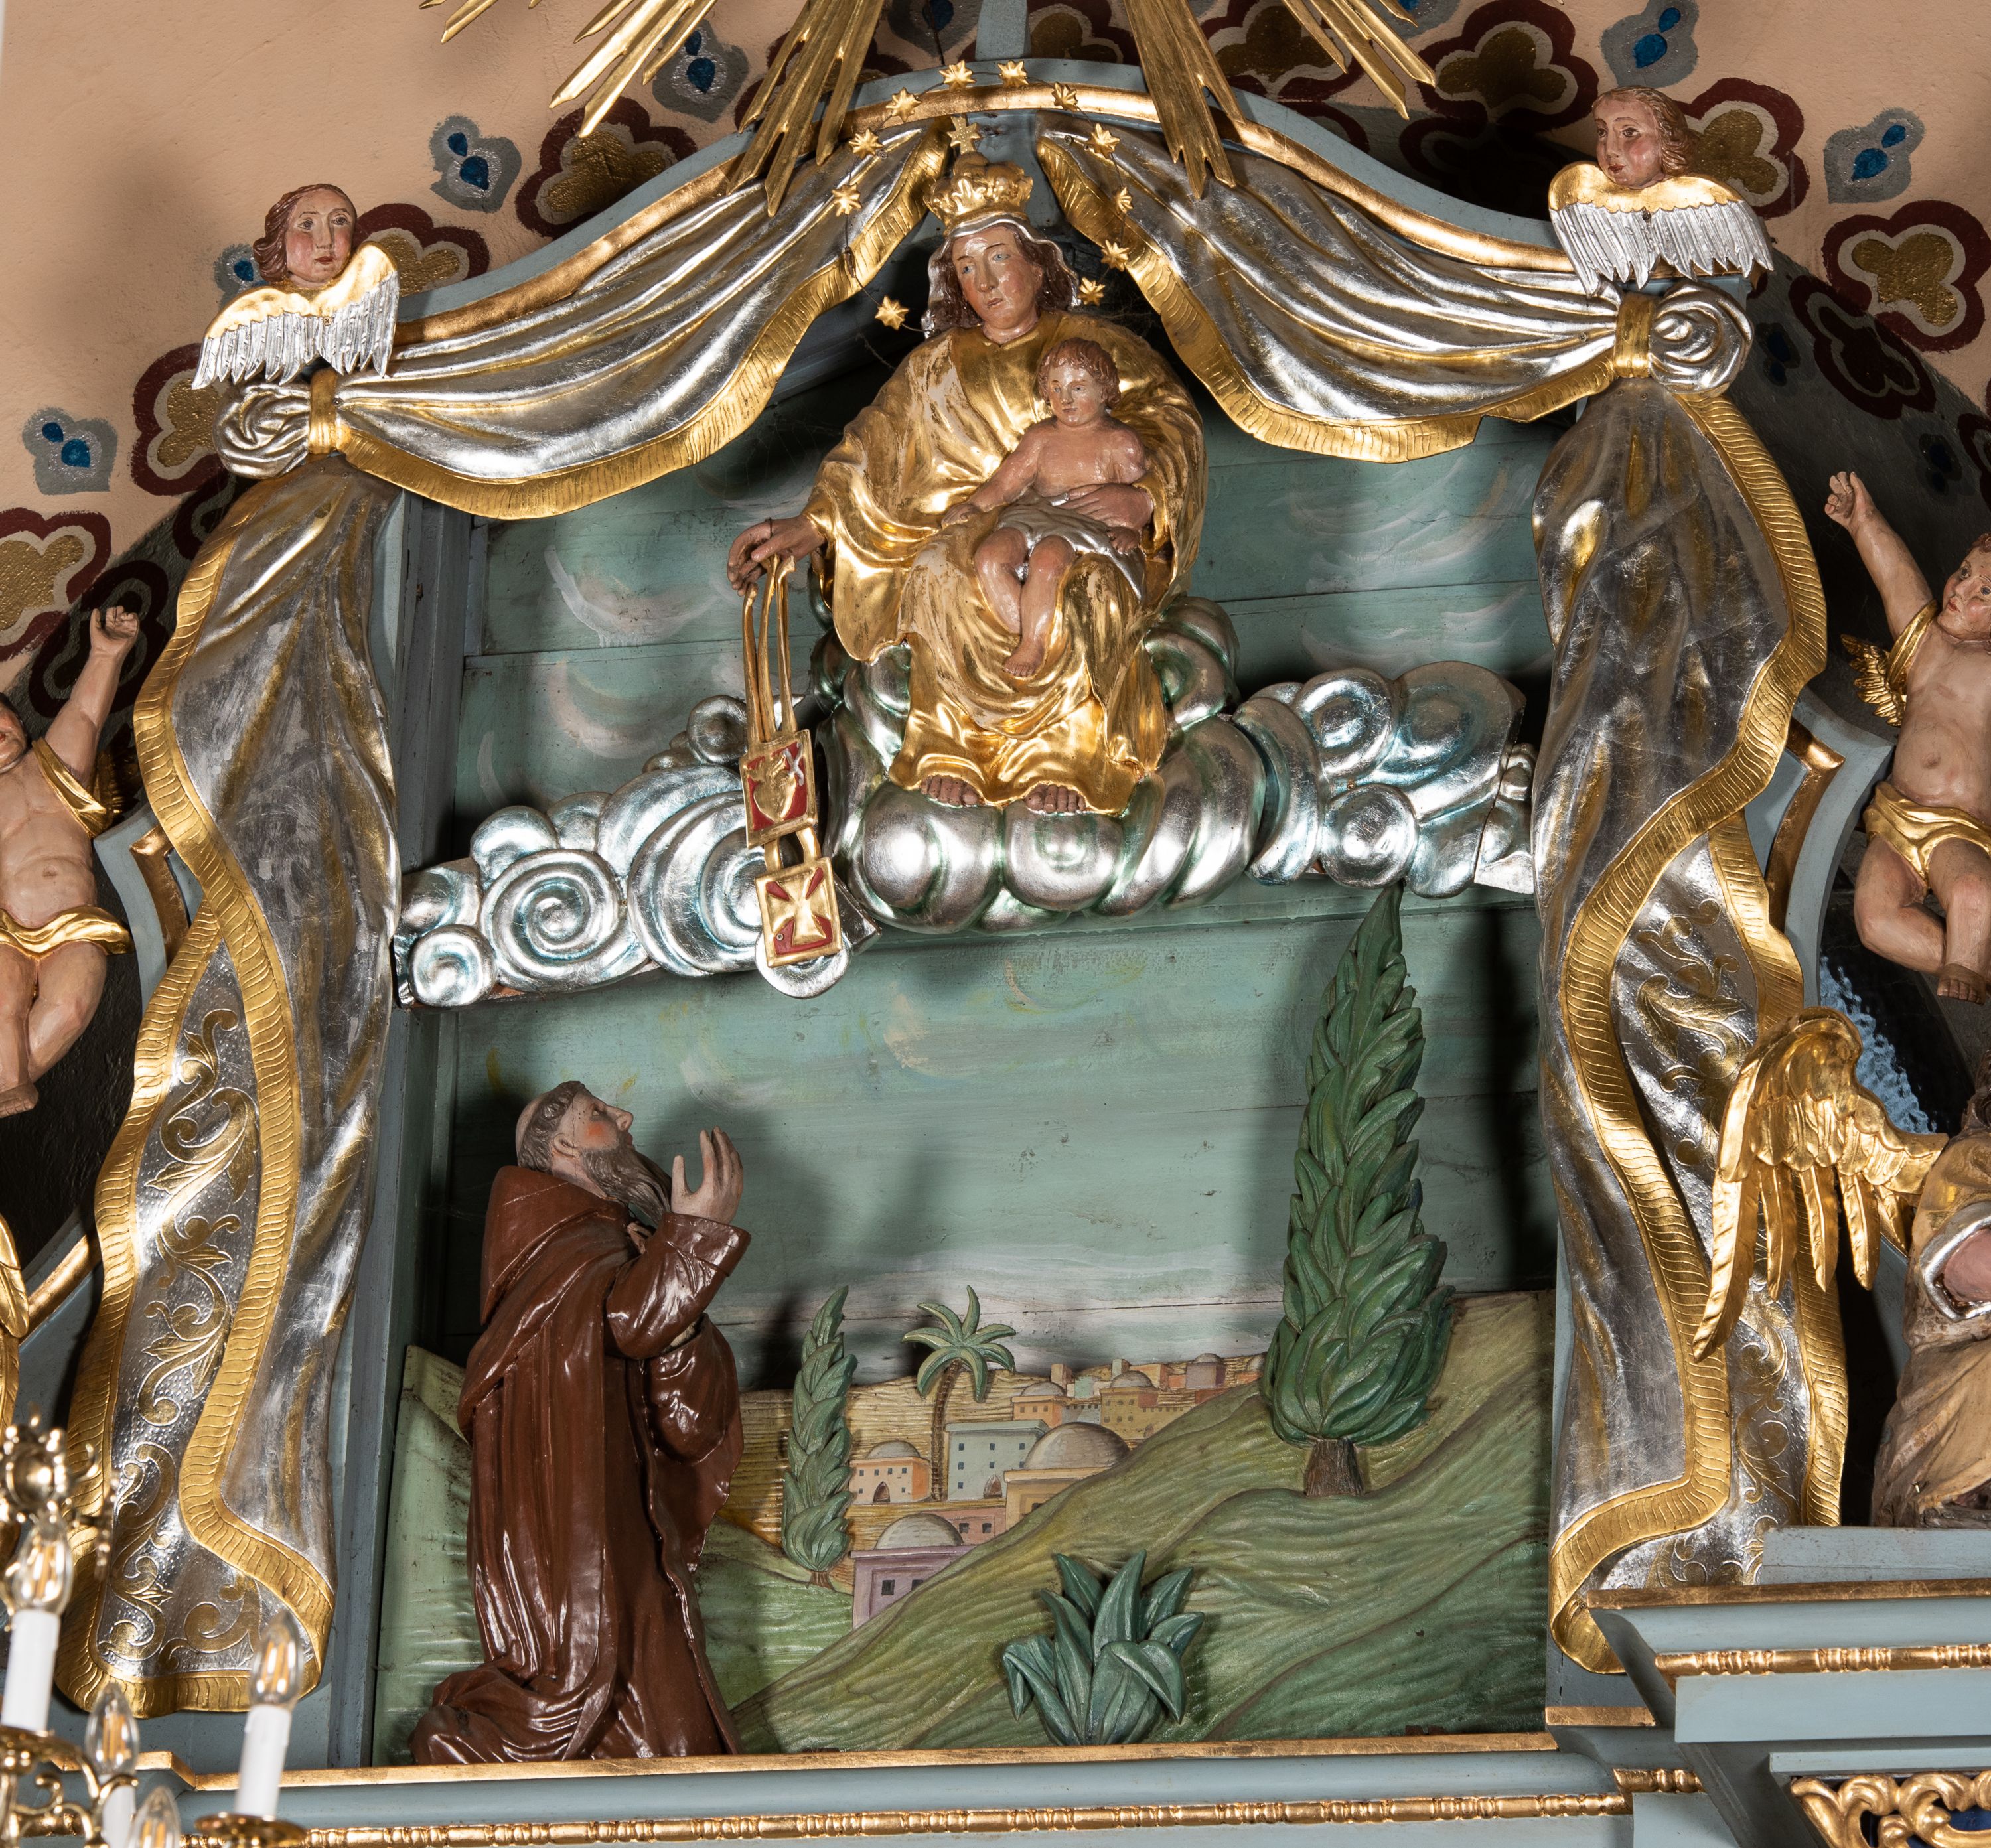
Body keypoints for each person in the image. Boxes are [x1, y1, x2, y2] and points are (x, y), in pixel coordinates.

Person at [725, 154, 1203, 817]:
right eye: (967, 267)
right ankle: (954, 748)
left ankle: (1068, 753)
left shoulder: (1095, 345)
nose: (987, 282)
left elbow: (1172, 422)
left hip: (1089, 524)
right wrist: (814, 524)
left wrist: (1145, 496)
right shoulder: (933, 367)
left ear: (1038, 263)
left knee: (1077, 588)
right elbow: (872, 448)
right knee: (937, 574)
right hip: (987, 523)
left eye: (1000, 258)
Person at [411, 1083, 749, 1762]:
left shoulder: (619, 1247)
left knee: (675, 1725)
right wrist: (696, 1239)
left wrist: (682, 1317)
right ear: (563, 1146)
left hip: (628, 1528)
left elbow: (684, 1424)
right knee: (662, 1728)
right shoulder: (558, 1246)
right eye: (598, 1113)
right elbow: (632, 1320)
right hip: (577, 1535)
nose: (625, 1117)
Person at [1828, 470, 1991, 1001]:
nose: (1960, 590)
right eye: (1963, 572)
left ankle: (1970, 958)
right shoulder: (1928, 648)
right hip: (1896, 819)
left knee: (1974, 890)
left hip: (1958, 830)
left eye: (1984, 592)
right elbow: (1898, 580)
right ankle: (1972, 960)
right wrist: (1862, 519)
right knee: (1874, 920)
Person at [942, 336, 1150, 681]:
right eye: (1055, 388)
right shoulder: (1040, 438)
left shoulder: (1120, 442)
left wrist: (1132, 530)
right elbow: (1007, 483)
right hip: (1032, 515)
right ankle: (1027, 624)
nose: (1065, 399)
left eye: (1078, 388)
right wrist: (974, 505)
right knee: (990, 556)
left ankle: (1034, 643)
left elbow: (1137, 497)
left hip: (1083, 525)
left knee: (1048, 557)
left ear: (1104, 391)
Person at [0, 606, 136, 1117]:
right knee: (4, 1001)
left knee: (73, 1005)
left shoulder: (53, 766)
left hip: (74, 921)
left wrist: (106, 653)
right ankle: (10, 1081)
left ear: (18, 720)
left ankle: (10, 1079)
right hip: (7, 932)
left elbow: (84, 713)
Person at [1591, 85, 1697, 191]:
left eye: (1629, 132)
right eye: (1602, 132)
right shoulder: (1588, 192)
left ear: (1667, 138)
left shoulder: (1694, 196)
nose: (1610, 151)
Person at [252, 183, 359, 287]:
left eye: (340, 221)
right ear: (280, 239)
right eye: (307, 224)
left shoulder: (366, 294)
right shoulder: (263, 299)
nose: (326, 242)